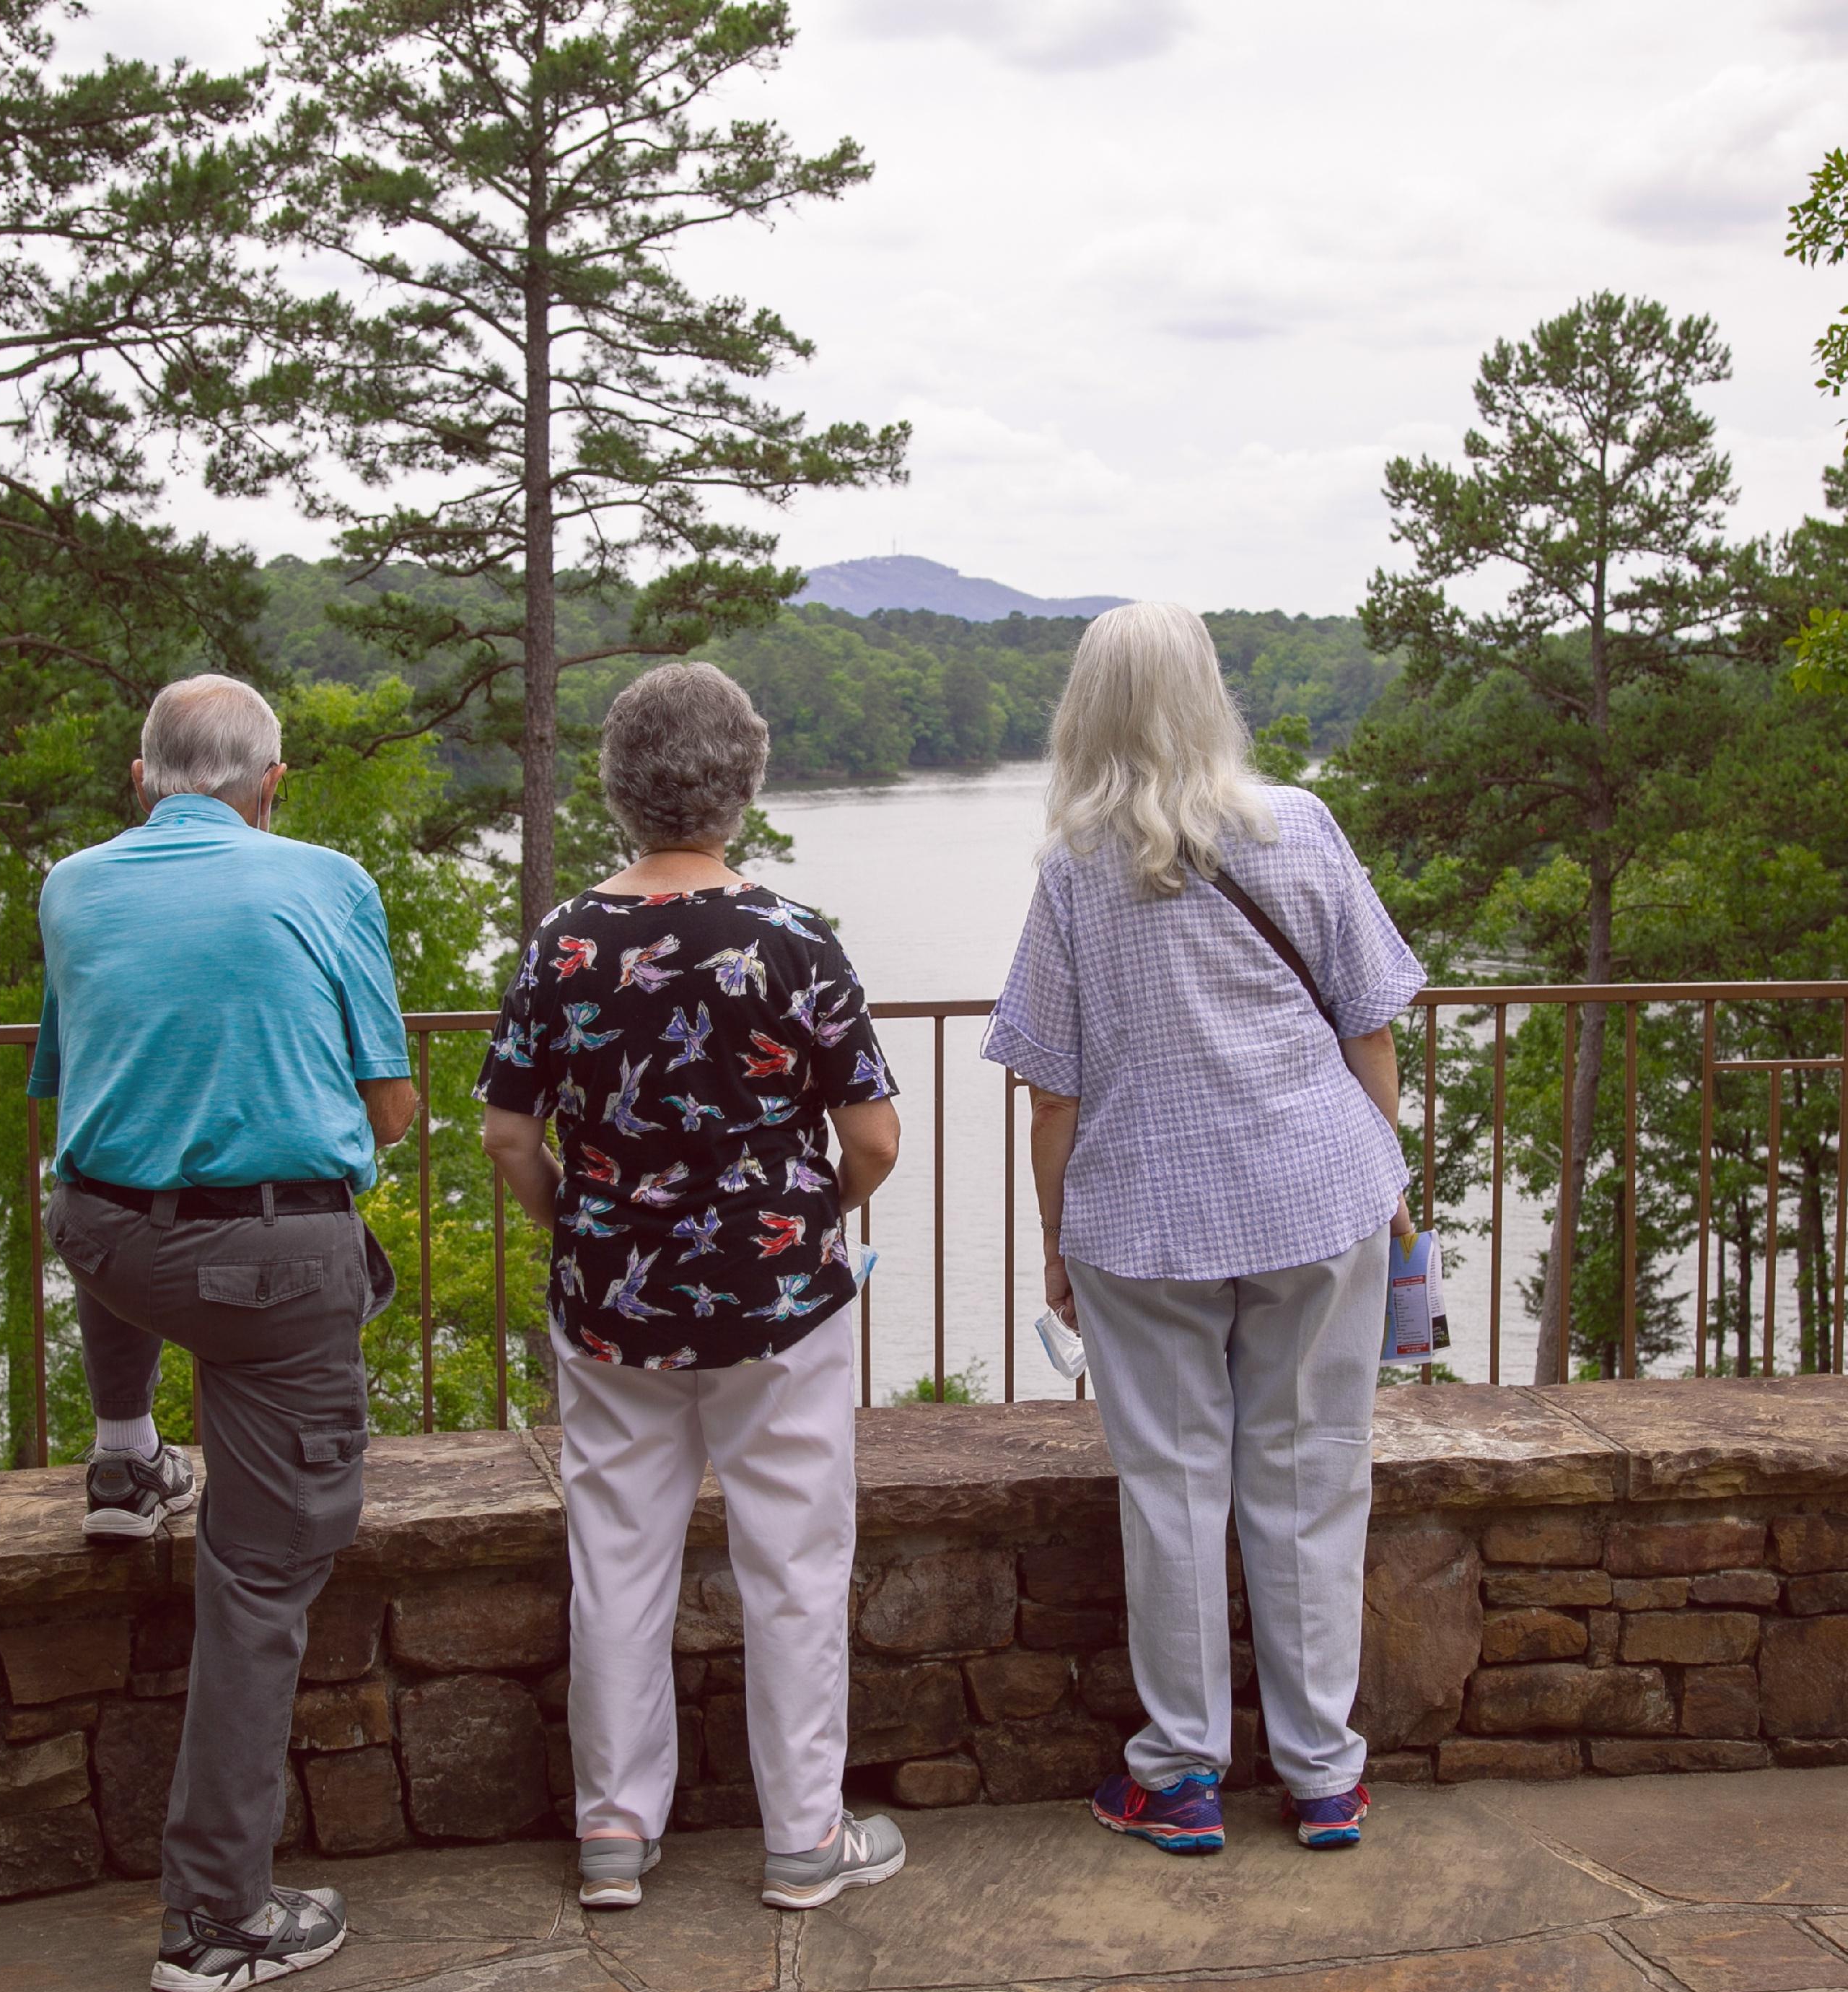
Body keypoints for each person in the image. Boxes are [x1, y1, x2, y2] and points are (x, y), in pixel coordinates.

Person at [982, 602, 1423, 1857]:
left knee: (1170, 1488)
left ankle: (1178, 1775)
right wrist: (1385, 1168)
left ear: (1086, 712)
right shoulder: (1302, 824)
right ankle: (1322, 1775)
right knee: (1310, 1472)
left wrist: (1056, 1242)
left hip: (1144, 1213)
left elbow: (1051, 1085)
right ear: (1208, 694)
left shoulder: (1072, 868)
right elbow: (1369, 1024)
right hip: (1312, 1195)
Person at [478, 663, 908, 1913]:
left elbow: (509, 1138)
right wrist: (805, 1225)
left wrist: (583, 1231)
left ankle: (613, 1832)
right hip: (778, 1300)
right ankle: (803, 1839)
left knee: (616, 1554)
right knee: (793, 1558)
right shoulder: (793, 937)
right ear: (744, 780)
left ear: (618, 787)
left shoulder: (562, 942)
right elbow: (873, 1137)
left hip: (611, 1300)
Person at [30, 673, 419, 1992]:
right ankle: (215, 1920)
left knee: (108, 1172)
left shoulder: (72, 885)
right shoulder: (324, 876)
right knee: (257, 1581)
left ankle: (125, 1459)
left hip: (106, 1240)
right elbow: (392, 1099)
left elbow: (71, 1082)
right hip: (270, 1268)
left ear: (142, 780)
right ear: (273, 785)